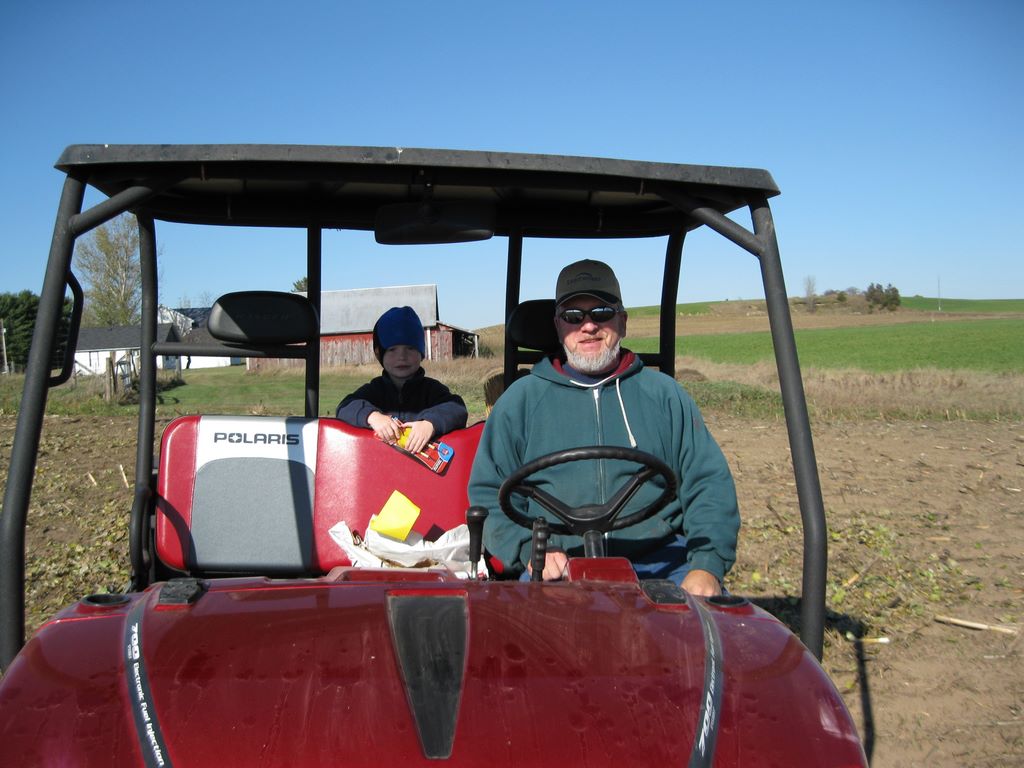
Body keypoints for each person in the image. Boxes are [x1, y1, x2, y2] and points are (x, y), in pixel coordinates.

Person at [468, 260, 739, 596]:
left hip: (660, 561)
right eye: (573, 316)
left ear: (622, 321)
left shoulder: (664, 395)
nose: (588, 326)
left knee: (713, 640)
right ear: (558, 325)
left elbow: (708, 482)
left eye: (601, 312)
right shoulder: (519, 402)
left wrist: (706, 566)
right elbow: (487, 492)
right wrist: (528, 549)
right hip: (556, 565)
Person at [336, 306, 468, 454]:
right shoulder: (374, 390)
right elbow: (345, 407)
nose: (402, 357)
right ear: (380, 354)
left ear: (421, 353)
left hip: (423, 473)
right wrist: (373, 417)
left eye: (410, 348)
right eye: (392, 350)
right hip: (380, 467)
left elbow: (457, 409)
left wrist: (429, 424)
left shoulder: (432, 390)